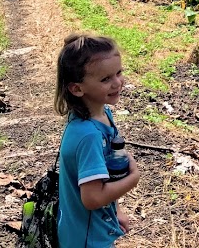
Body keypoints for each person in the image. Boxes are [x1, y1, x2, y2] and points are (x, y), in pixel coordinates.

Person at [55, 34, 140, 248]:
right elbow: (92, 198)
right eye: (105, 79)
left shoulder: (103, 115)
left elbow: (108, 171)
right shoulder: (88, 136)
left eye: (119, 73)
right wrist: (133, 179)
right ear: (77, 88)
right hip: (86, 239)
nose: (117, 83)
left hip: (92, 229)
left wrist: (116, 210)